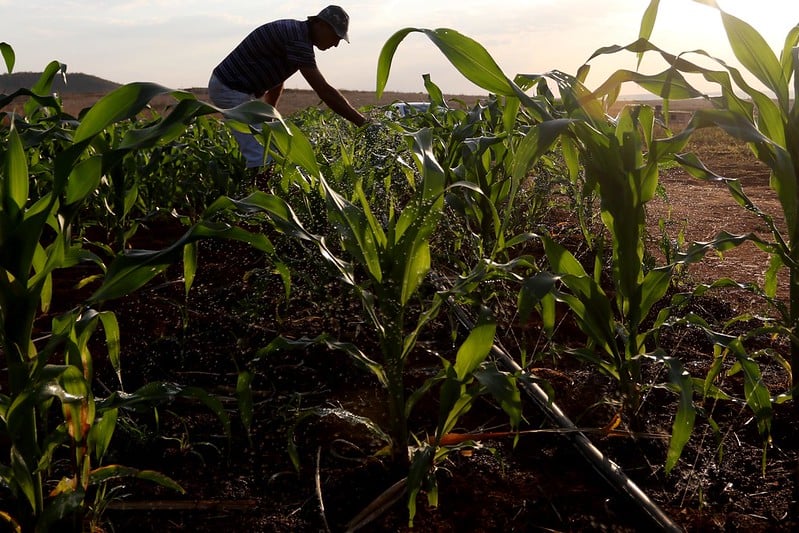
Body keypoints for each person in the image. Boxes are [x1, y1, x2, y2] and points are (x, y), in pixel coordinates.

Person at [208, 5, 369, 173]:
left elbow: (278, 79)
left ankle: (262, 189)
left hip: (240, 90)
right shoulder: (297, 40)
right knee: (261, 154)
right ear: (320, 24)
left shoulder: (297, 34)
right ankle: (258, 196)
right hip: (230, 88)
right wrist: (363, 123)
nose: (336, 44)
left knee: (274, 145)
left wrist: (270, 113)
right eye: (336, 36)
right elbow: (324, 91)